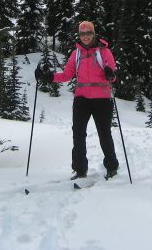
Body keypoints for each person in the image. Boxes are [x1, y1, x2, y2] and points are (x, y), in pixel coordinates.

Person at [35, 21, 119, 179]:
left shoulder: (104, 52)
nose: (86, 36)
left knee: (104, 134)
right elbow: (66, 75)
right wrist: (48, 77)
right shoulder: (76, 54)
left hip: (102, 98)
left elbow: (113, 75)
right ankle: (80, 170)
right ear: (79, 35)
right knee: (78, 134)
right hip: (81, 99)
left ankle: (112, 166)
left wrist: (110, 74)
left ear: (93, 34)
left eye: (88, 33)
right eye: (82, 34)